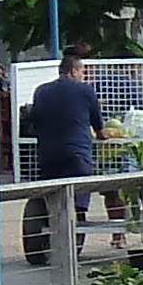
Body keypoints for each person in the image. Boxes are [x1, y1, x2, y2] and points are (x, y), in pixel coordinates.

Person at [23, 48, 108, 236]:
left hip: (47, 154)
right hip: (76, 154)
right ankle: (77, 222)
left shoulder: (41, 91)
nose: (84, 76)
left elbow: (35, 120)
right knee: (79, 192)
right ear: (73, 71)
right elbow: (98, 127)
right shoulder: (85, 90)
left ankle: (51, 226)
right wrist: (103, 135)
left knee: (52, 192)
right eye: (82, 72)